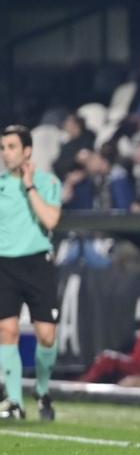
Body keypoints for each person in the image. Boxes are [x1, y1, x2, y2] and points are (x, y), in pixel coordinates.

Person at [0, 126, 63, 421]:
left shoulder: (47, 182)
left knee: (47, 336)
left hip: (37, 264)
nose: (5, 154)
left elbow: (50, 218)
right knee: (7, 331)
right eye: (2, 148)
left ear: (27, 151)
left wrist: (29, 186)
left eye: (11, 147)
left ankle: (41, 389)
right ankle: (15, 401)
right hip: (4, 265)